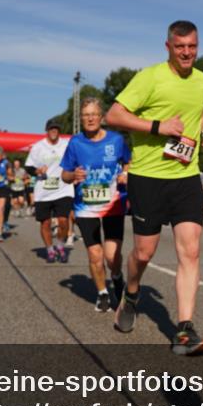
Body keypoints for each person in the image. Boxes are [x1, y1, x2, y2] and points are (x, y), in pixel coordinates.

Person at [105, 19, 203, 356]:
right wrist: (158, 126)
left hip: (186, 177)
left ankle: (184, 330)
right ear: (168, 46)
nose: (187, 53)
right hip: (148, 177)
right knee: (144, 253)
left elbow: (202, 112)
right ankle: (132, 293)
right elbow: (114, 115)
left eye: (193, 47)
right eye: (180, 47)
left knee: (191, 250)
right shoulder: (150, 78)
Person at [61, 99, 130, 312]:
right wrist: (73, 175)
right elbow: (64, 175)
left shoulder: (116, 140)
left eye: (94, 114)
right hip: (85, 206)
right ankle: (102, 293)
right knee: (95, 255)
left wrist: (126, 173)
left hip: (113, 204)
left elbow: (129, 162)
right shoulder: (75, 143)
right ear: (81, 119)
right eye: (85, 115)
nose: (90, 118)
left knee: (111, 257)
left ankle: (117, 277)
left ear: (101, 117)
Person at [25, 118, 75, 264]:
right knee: (45, 223)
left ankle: (60, 246)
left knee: (63, 221)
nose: (54, 131)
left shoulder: (66, 144)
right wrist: (37, 170)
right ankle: (50, 250)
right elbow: (28, 166)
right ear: (47, 131)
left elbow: (76, 159)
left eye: (56, 129)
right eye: (51, 129)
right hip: (43, 190)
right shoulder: (38, 147)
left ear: (59, 131)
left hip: (63, 188)